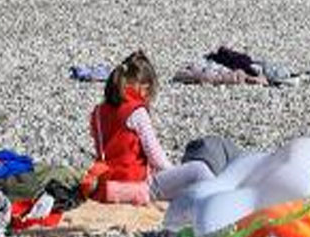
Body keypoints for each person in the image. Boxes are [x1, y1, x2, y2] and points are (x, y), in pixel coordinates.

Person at [87, 51, 214, 204]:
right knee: (198, 170)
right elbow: (156, 157)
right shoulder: (136, 112)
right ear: (144, 88)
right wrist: (174, 174)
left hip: (105, 185)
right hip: (135, 186)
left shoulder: (98, 111)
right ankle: (227, 211)